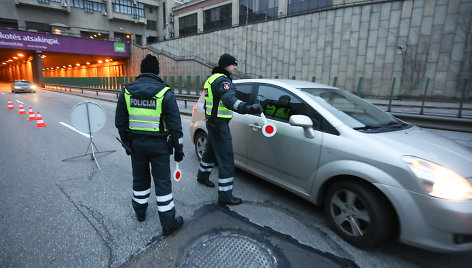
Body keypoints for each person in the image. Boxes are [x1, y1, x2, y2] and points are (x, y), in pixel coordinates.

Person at [115, 54, 184, 236]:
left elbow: (120, 122)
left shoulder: (127, 92)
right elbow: (176, 127)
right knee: (162, 183)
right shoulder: (164, 93)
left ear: (141, 71)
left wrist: (127, 142)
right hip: (159, 146)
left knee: (140, 178)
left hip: (137, 145)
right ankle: (168, 223)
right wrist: (179, 149)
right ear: (157, 71)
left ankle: (140, 212)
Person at [196, 53, 263, 206]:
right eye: (233, 64)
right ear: (226, 65)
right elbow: (229, 100)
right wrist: (248, 108)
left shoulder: (211, 79)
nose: (235, 67)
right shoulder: (224, 81)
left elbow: (210, 102)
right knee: (226, 160)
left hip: (211, 122)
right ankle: (225, 196)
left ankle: (202, 176)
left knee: (210, 150)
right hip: (220, 125)